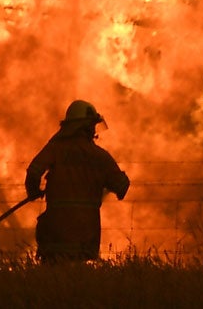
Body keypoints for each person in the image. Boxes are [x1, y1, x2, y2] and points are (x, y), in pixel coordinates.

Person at [24, 99, 130, 262]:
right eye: (92, 125)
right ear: (86, 127)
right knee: (76, 280)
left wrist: (33, 192)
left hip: (56, 231)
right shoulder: (99, 156)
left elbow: (33, 172)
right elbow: (121, 186)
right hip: (85, 232)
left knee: (51, 279)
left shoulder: (55, 148)